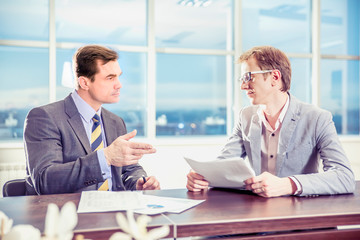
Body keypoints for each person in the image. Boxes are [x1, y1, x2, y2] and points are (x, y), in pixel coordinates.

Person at [187, 46, 355, 197]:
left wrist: (288, 184)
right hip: (259, 212)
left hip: (302, 213)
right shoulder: (245, 116)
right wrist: (203, 178)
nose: (243, 86)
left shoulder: (317, 118)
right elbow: (224, 164)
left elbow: (344, 176)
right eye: (242, 79)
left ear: (274, 77)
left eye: (248, 77)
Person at [24, 44, 160, 195]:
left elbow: (129, 169)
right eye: (110, 78)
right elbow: (45, 181)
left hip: (116, 211)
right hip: (71, 213)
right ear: (84, 82)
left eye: (118, 76)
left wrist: (138, 182)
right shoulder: (45, 117)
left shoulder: (115, 121)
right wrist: (106, 157)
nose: (119, 85)